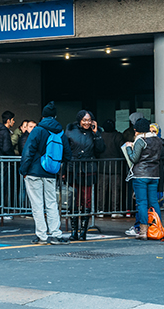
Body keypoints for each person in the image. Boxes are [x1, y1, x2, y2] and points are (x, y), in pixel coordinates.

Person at [20, 102, 72, 245]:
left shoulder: (37, 130)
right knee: (51, 203)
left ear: (42, 116)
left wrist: (23, 170)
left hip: (34, 172)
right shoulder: (60, 132)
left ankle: (42, 236)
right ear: (55, 116)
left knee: (37, 204)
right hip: (50, 172)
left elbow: (28, 151)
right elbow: (67, 154)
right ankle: (56, 234)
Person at [124, 118, 164, 240]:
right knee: (154, 202)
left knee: (142, 203)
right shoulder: (158, 140)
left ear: (136, 130)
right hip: (154, 175)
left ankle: (143, 231)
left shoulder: (141, 141)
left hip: (141, 175)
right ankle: (157, 228)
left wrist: (128, 147)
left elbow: (134, 158)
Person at [64, 110, 104, 241]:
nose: (87, 122)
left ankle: (83, 232)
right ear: (79, 120)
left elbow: (100, 149)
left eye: (89, 120)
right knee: (74, 200)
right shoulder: (70, 130)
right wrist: (64, 170)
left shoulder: (94, 132)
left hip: (88, 168)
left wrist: (96, 133)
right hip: (73, 168)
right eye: (84, 120)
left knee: (86, 199)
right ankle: (74, 231)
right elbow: (66, 150)